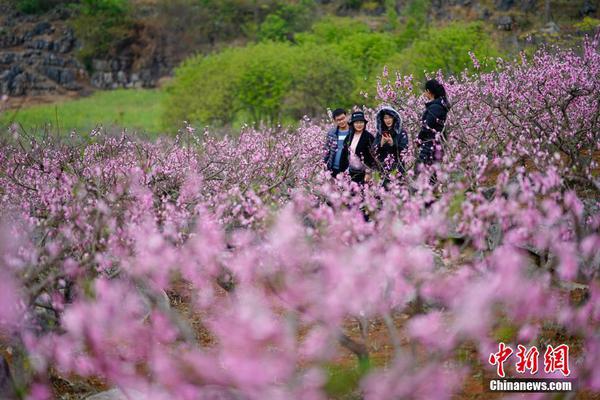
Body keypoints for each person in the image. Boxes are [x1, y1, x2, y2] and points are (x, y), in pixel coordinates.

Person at [416, 79, 449, 169]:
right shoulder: (439, 105)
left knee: (421, 173)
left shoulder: (435, 107)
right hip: (435, 144)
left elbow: (427, 126)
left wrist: (419, 140)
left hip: (430, 144)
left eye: (425, 91)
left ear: (428, 91)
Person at [373, 106, 408, 181]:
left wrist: (393, 144)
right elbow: (373, 151)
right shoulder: (380, 133)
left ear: (394, 118)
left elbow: (404, 150)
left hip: (398, 169)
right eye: (385, 118)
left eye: (390, 117)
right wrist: (381, 144)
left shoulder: (401, 132)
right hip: (383, 169)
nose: (387, 120)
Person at [341, 111, 376, 184]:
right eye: (356, 123)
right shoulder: (349, 137)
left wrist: (368, 172)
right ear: (353, 124)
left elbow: (373, 156)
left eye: (361, 122)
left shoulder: (368, 137)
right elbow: (344, 153)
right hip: (351, 172)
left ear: (364, 123)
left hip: (365, 174)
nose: (359, 125)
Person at [323, 108, 350, 176]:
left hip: (349, 169)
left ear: (346, 116)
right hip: (333, 169)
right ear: (335, 121)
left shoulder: (353, 132)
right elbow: (326, 150)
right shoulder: (332, 133)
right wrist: (324, 165)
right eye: (338, 120)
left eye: (343, 118)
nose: (341, 121)